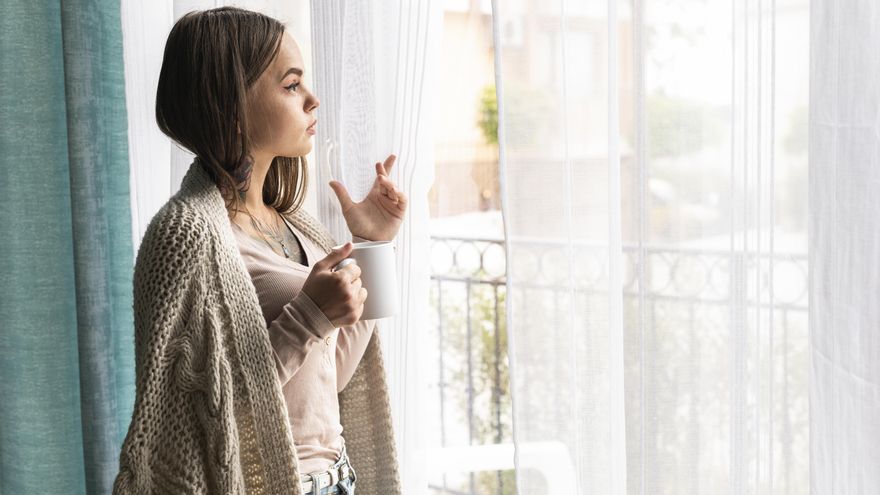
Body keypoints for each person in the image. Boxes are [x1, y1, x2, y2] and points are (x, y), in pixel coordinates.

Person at [113, 6, 406, 494]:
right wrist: (309, 316)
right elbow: (192, 422)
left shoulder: (297, 226)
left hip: (338, 480)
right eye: (291, 86)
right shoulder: (184, 234)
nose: (312, 100)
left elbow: (329, 378)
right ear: (228, 104)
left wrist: (374, 245)